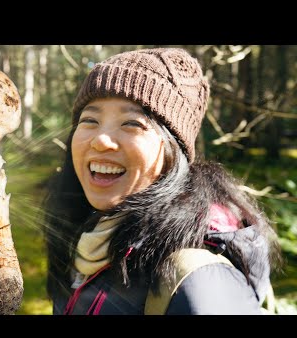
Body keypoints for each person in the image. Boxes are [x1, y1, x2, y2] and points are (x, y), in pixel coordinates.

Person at [43, 47, 281, 315]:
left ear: (173, 149)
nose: (100, 139)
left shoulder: (195, 281)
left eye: (131, 123)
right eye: (90, 120)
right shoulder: (83, 239)